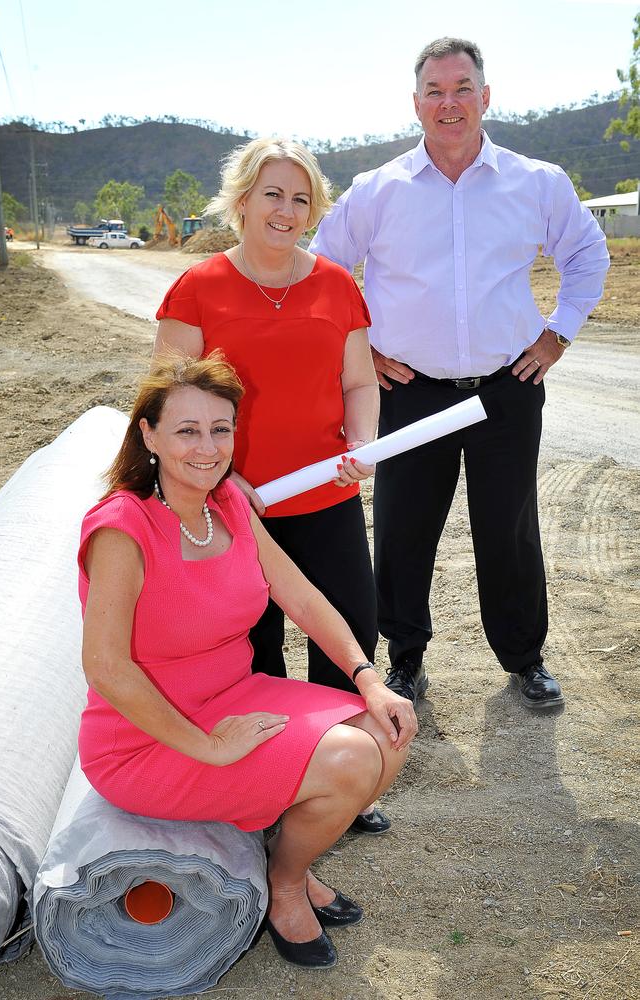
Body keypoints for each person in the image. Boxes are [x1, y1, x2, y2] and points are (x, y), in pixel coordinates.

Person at [78, 352, 417, 969]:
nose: (207, 448)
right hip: (146, 738)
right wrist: (207, 747)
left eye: (221, 429)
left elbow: (303, 597)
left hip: (236, 695)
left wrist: (370, 681)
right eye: (187, 430)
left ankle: (286, 863)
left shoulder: (227, 503)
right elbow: (107, 670)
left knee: (388, 730)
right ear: (148, 434)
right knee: (349, 761)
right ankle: (283, 890)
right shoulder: (121, 528)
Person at [311, 37, 610, 711]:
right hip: (410, 392)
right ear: (416, 104)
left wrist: (558, 332)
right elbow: (323, 272)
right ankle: (405, 658)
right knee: (402, 528)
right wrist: (358, 354)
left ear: (486, 97)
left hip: (508, 388)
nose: (450, 104)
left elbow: (588, 256)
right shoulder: (378, 190)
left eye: (463, 88)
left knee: (508, 527)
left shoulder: (536, 183)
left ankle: (524, 657)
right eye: (436, 92)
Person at [154, 138, 388, 834]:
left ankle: (349, 777)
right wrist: (223, 478)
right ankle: (269, 781)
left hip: (326, 499)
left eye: (299, 198)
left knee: (346, 633)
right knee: (252, 648)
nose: (286, 211)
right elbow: (168, 405)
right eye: (272, 194)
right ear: (242, 201)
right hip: (231, 508)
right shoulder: (196, 290)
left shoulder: (338, 286)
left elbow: (359, 382)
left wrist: (365, 441)